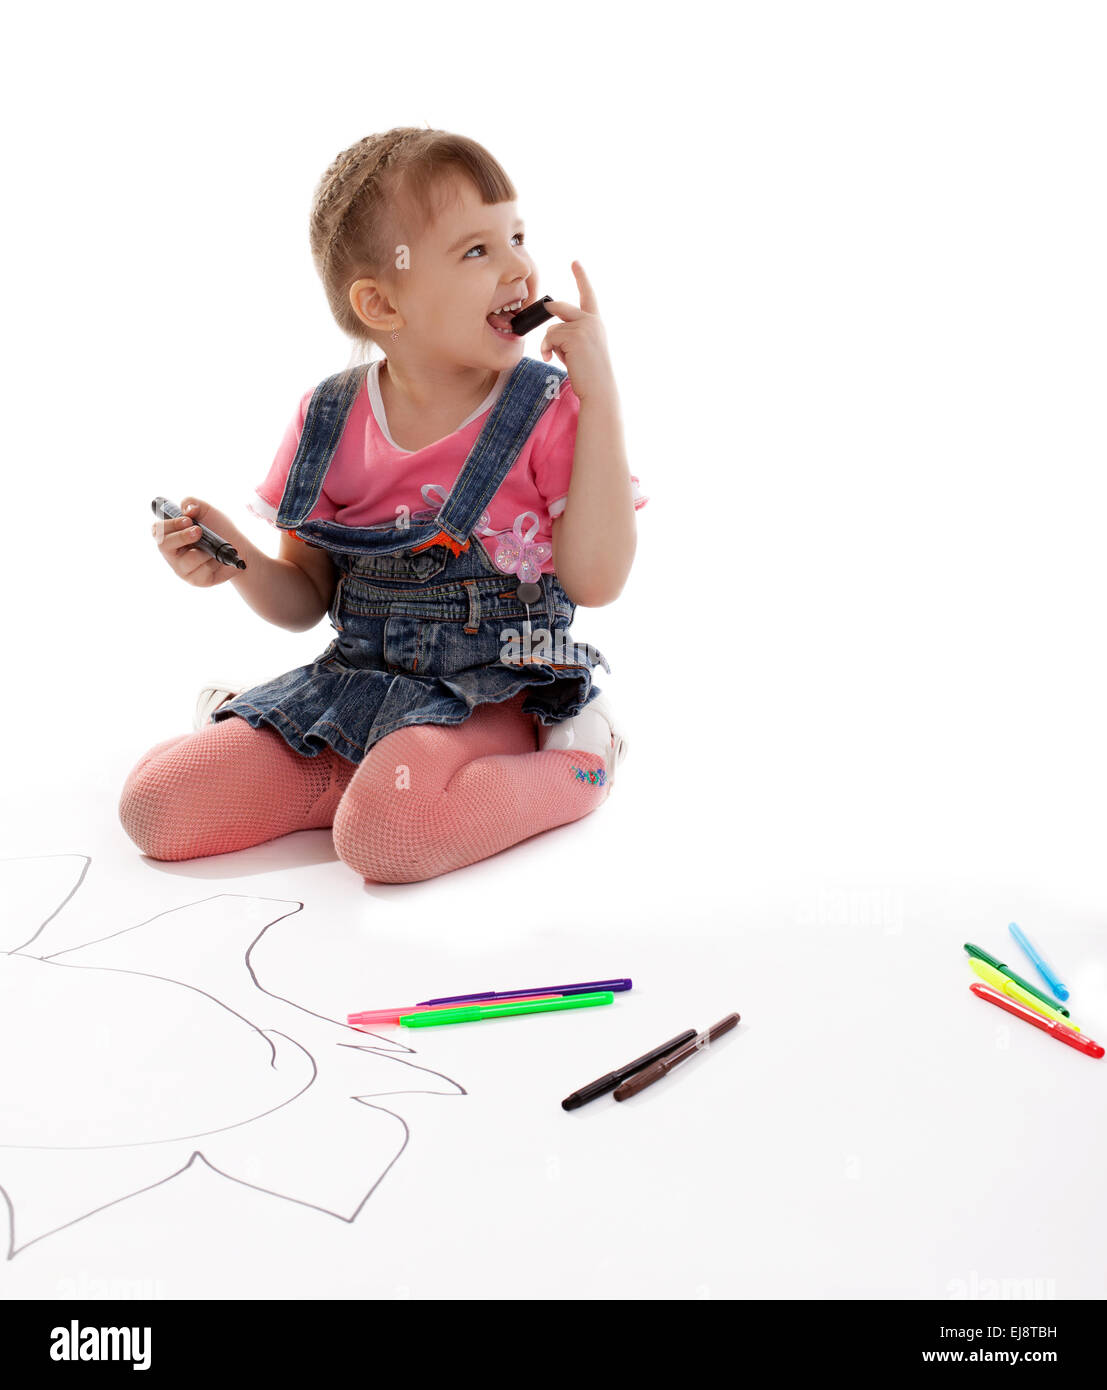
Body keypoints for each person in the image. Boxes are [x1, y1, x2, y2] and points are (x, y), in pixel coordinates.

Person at [119, 127, 647, 883]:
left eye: (517, 237)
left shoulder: (552, 410)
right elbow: (306, 601)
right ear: (381, 302)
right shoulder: (328, 417)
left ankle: (582, 764)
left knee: (385, 844)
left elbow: (596, 581)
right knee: (157, 809)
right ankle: (345, 775)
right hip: (357, 683)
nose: (520, 267)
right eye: (477, 251)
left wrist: (600, 401)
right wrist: (236, 561)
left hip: (488, 690)